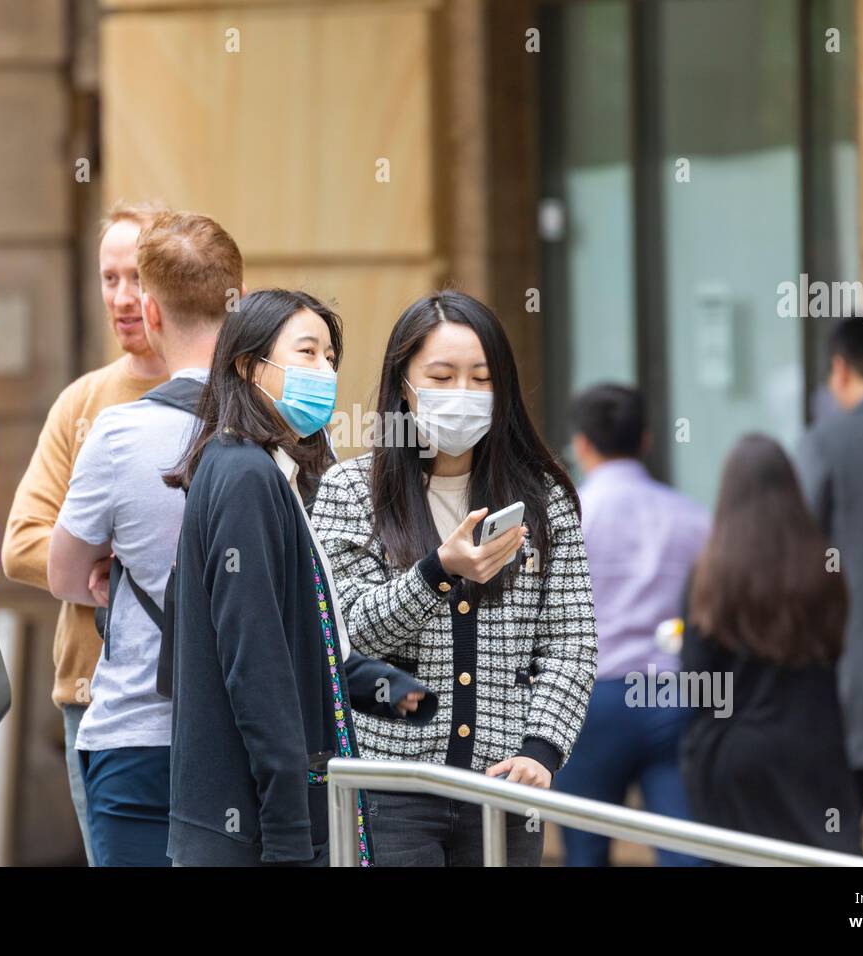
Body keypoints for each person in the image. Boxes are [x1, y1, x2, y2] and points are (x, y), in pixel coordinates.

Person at [310, 290, 598, 867]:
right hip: (390, 788)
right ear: (404, 386)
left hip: (504, 788)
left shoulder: (544, 500)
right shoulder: (349, 492)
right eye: (440, 377)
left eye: (480, 377)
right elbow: (347, 639)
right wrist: (436, 573)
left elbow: (571, 641)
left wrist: (541, 748)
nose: (462, 394)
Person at [164, 289, 423, 867]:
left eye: (330, 357)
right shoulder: (246, 477)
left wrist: (390, 690)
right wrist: (288, 833)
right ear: (248, 366)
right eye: (307, 353)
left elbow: (300, 641)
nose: (325, 371)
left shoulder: (259, 473)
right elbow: (254, 664)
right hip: (252, 833)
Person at [46, 211, 243, 866]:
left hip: (138, 736)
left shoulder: (117, 433)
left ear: (151, 313)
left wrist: (112, 571)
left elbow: (62, 575)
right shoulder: (288, 432)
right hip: (249, 739)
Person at [1, 201, 170, 864]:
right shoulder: (83, 402)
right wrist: (108, 563)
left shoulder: (228, 394)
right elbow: (20, 544)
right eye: (109, 278)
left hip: (202, 697)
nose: (123, 298)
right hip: (93, 695)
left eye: (139, 277)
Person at [680, 434, 863, 856]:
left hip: (735, 754)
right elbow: (835, 649)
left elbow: (696, 681)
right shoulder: (825, 565)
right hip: (814, 744)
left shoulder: (708, 574)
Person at [552, 384, 709, 867]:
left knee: (585, 851)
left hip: (591, 701)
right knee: (685, 847)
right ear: (645, 440)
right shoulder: (693, 517)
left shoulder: (567, 518)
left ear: (580, 444)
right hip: (673, 696)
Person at [794, 318, 863, 817]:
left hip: (849, 675)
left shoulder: (825, 443)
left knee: (836, 827)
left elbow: (800, 555)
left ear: (840, 369)